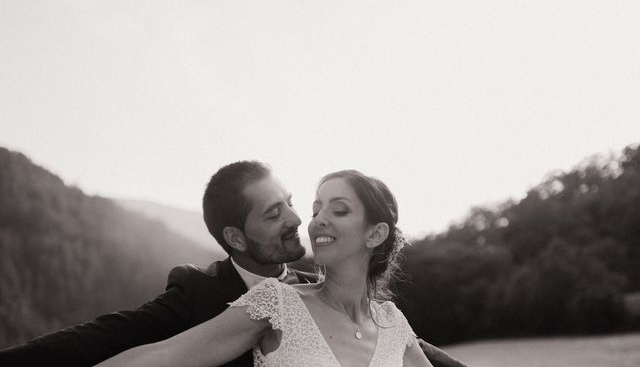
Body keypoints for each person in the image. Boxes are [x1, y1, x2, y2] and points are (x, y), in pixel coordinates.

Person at [0, 161, 466, 367]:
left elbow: (416, 350)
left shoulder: (381, 316)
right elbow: (109, 341)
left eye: (290, 203)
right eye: (273, 213)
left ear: (376, 235)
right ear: (235, 238)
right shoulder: (208, 295)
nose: (302, 220)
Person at [95, 169, 432, 367]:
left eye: (339, 210)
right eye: (316, 210)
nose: (316, 221)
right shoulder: (276, 303)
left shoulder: (391, 322)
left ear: (375, 233)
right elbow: (164, 356)